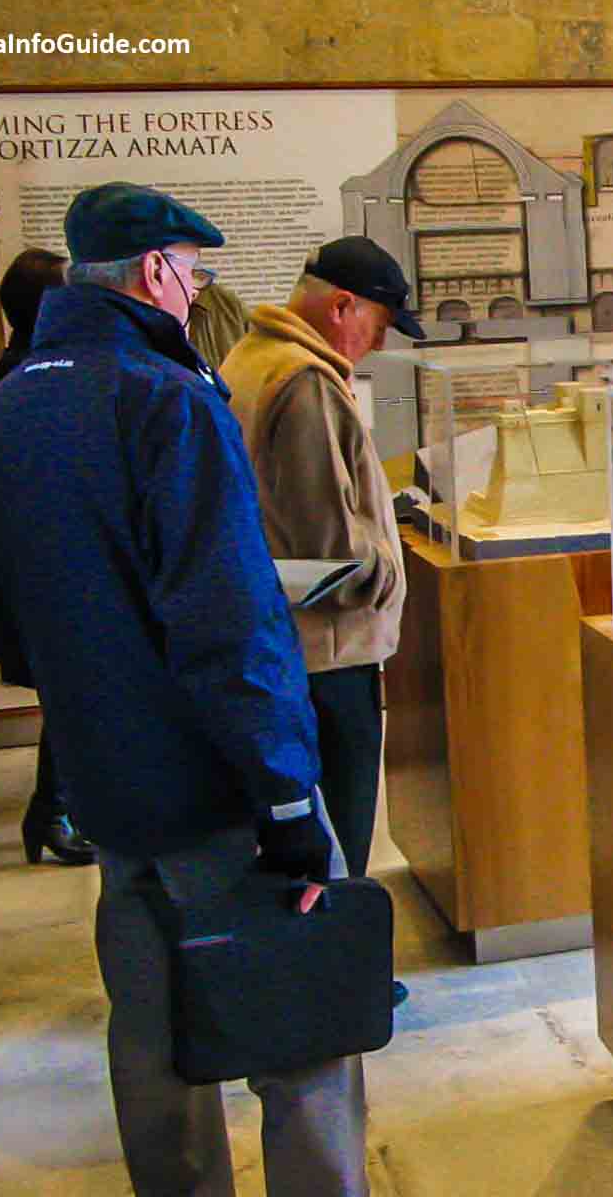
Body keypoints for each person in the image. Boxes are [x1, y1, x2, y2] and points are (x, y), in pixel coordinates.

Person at [0, 181, 367, 1196]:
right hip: (212, 780)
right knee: (302, 1034)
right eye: (197, 272)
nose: (196, 292)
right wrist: (286, 798)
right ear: (157, 273)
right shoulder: (167, 398)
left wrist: (86, 681)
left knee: (150, 1026)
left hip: (105, 773)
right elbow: (229, 624)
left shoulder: (14, 395)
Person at [220, 236, 416, 890]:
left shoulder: (252, 357)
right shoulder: (306, 386)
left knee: (305, 836)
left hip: (288, 642)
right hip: (329, 653)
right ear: (342, 306)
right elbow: (335, 550)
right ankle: (343, 974)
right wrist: (388, 568)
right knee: (338, 834)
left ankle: (320, 968)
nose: (380, 345)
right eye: (380, 325)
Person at [0, 247, 93, 866]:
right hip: (53, 566)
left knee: (71, 693)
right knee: (71, 693)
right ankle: (53, 812)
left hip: (50, 563)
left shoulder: (25, 366)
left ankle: (52, 811)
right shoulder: (28, 373)